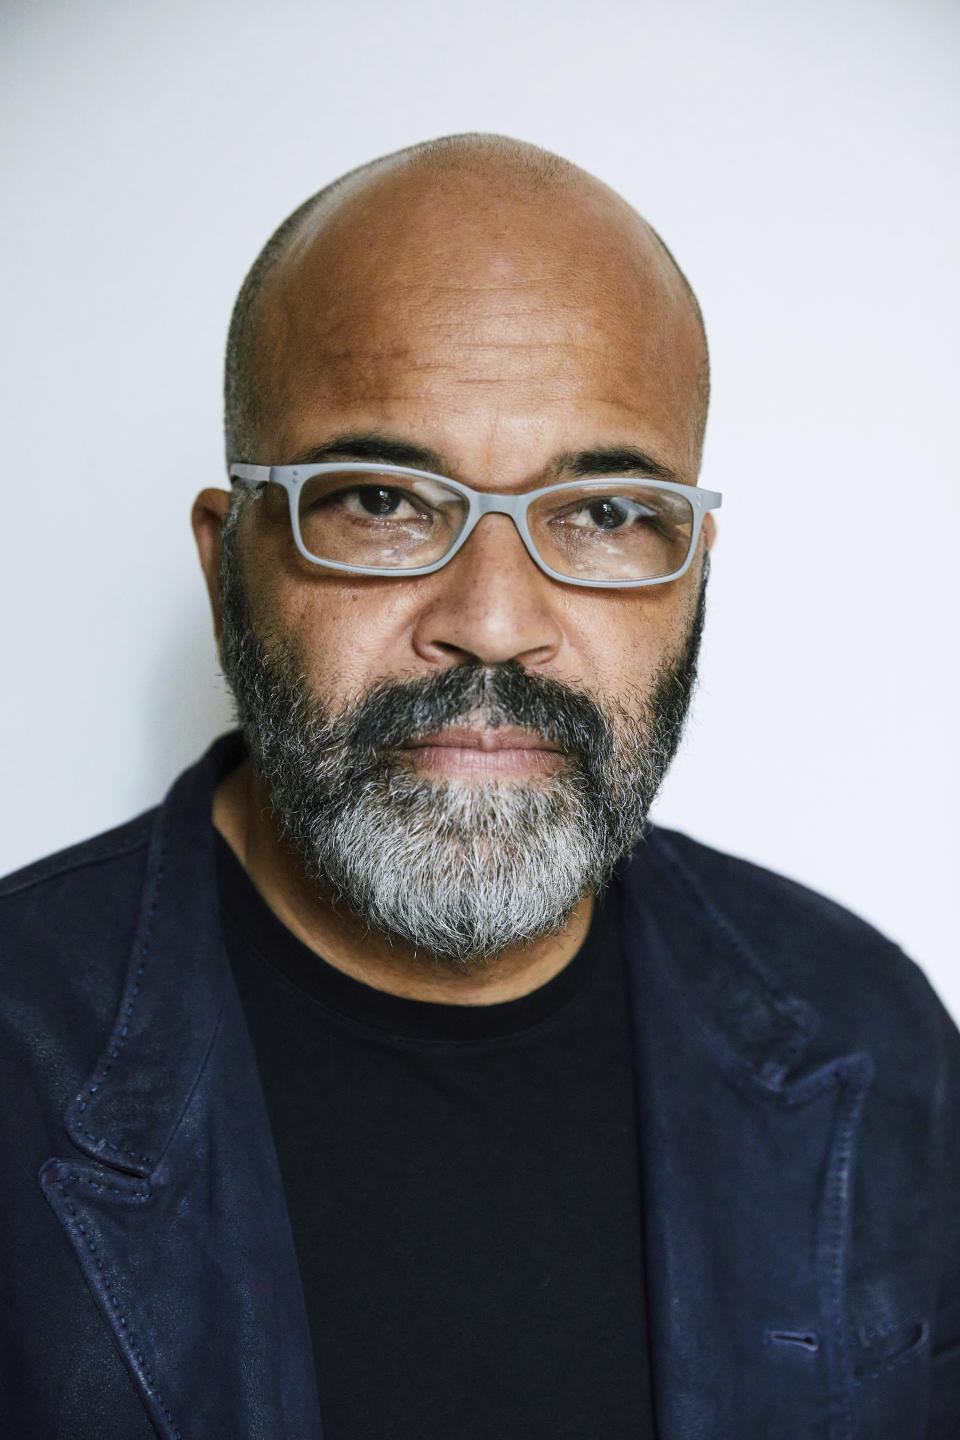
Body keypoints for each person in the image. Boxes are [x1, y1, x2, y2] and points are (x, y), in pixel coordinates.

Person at [1, 134, 956, 1440]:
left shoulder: (873, 1038)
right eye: (384, 500)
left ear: (694, 571)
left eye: (606, 515)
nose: (495, 622)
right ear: (231, 574)